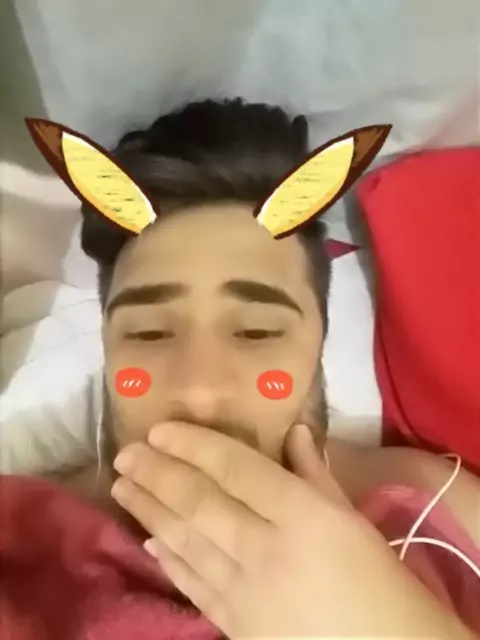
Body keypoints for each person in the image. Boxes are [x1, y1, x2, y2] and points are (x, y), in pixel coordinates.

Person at [2, 99, 479, 639]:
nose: (201, 391)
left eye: (257, 332)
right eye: (148, 333)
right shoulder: (19, 546)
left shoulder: (442, 513)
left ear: (318, 341)